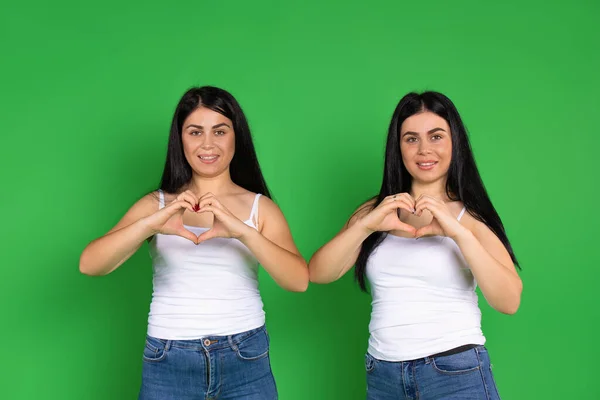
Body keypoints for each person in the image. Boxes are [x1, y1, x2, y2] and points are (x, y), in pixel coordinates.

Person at [80, 86, 308, 400]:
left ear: (235, 137)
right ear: (181, 139)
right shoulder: (157, 204)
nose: (208, 144)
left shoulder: (260, 208)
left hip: (245, 357)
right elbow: (90, 264)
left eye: (220, 131)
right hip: (168, 359)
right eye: (195, 132)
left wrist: (243, 232)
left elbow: (298, 280)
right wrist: (151, 224)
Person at [308, 91, 522, 399]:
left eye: (436, 136)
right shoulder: (375, 211)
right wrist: (365, 225)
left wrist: (458, 233)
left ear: (454, 142)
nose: (424, 150)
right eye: (411, 139)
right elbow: (319, 273)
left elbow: (509, 301)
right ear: (398, 147)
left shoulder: (470, 217)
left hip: (454, 374)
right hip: (383, 376)